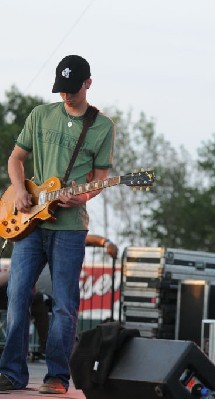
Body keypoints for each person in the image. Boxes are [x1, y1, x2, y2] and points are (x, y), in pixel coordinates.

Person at [0, 55, 115, 394]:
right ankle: (11, 373)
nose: (66, 97)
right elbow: (16, 159)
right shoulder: (40, 115)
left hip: (69, 228)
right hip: (30, 224)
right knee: (17, 295)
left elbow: (100, 178)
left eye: (72, 90)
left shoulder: (102, 126)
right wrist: (21, 191)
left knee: (64, 304)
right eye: (61, 90)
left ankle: (57, 377)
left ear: (88, 83)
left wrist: (82, 197)